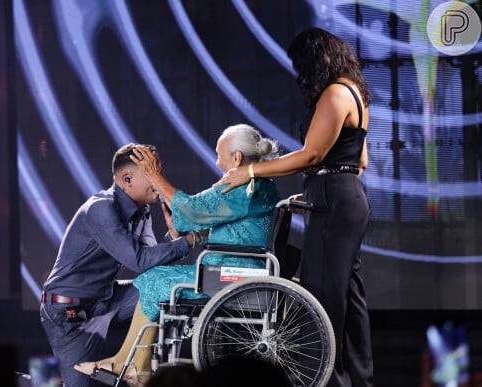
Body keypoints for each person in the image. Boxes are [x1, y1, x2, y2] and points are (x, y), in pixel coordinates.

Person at [214, 28, 373, 386]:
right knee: (348, 295)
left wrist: (249, 171)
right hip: (345, 196)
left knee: (321, 296)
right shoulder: (356, 93)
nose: (299, 75)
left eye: (301, 66)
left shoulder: (334, 94)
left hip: (335, 199)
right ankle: (357, 380)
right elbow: (359, 160)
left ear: (317, 59)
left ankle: (325, 379)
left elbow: (311, 155)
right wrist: (320, 188)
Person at [74, 124, 281, 386]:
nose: (217, 161)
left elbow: (194, 210)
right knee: (155, 277)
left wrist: (155, 175)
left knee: (152, 278)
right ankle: (132, 363)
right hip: (232, 268)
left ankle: (132, 364)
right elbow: (196, 214)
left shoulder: (244, 187)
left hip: (232, 275)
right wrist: (181, 225)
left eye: (219, 155)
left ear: (236, 157)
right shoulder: (255, 185)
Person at [40, 143, 198, 387]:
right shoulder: (101, 209)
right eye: (152, 171)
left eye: (160, 169)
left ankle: (137, 365)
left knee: (157, 285)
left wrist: (174, 235)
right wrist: (188, 241)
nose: (159, 178)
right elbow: (138, 260)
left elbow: (149, 261)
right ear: (127, 179)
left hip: (107, 299)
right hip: (69, 313)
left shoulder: (141, 210)